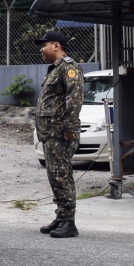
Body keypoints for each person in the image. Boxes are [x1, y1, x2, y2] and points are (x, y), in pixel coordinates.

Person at [33, 30, 84, 238]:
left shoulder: (69, 67)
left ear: (56, 45)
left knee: (62, 175)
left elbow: (75, 98)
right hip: (50, 134)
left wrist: (69, 128)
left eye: (44, 45)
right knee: (55, 175)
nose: (41, 49)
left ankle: (68, 222)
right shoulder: (54, 70)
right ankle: (61, 216)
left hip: (61, 133)